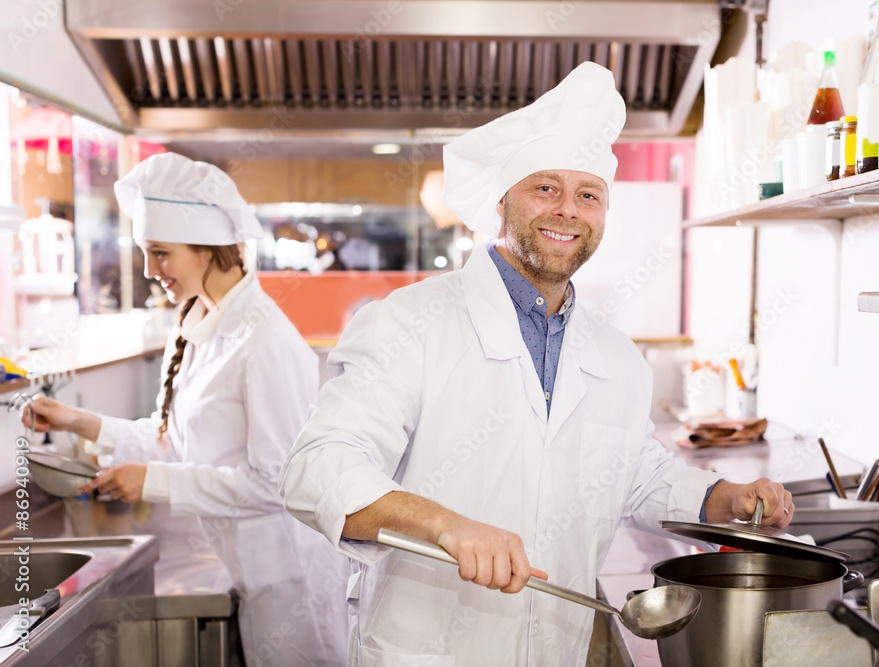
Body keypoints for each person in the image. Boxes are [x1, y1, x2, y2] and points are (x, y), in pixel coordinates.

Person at [280, 62, 795, 666]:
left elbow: (635, 475)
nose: (568, 210)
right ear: (503, 201)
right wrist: (445, 525)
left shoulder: (617, 359)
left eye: (588, 194)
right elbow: (318, 468)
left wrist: (723, 496)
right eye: (545, 187)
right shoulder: (409, 323)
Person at [22, 153, 350, 667]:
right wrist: (81, 422)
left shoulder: (266, 344)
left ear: (208, 249)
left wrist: (152, 481)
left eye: (160, 254)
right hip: (250, 571)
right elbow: (175, 442)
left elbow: (279, 485)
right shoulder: (203, 324)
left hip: (292, 586)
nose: (150, 272)